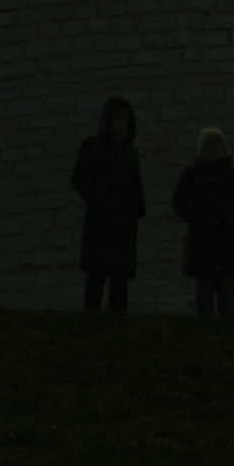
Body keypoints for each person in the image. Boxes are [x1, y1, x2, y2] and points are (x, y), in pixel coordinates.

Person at [71, 96, 144, 312]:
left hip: (123, 223)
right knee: (97, 273)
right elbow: (79, 178)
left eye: (125, 121)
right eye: (117, 120)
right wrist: (97, 198)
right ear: (108, 121)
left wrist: (138, 207)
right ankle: (90, 321)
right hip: (101, 221)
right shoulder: (93, 147)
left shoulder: (130, 153)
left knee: (120, 278)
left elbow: (136, 183)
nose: (121, 124)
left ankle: (118, 323)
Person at [172, 126, 234, 320]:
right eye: (210, 144)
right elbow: (178, 202)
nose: (214, 148)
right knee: (205, 289)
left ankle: (228, 331)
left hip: (227, 242)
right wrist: (197, 215)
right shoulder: (192, 174)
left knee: (226, 289)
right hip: (202, 242)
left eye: (218, 144)